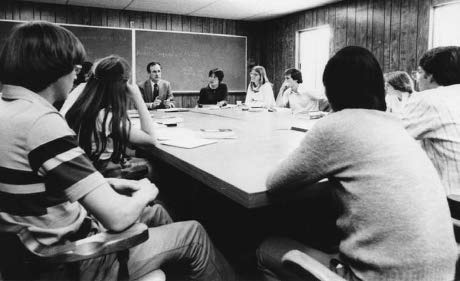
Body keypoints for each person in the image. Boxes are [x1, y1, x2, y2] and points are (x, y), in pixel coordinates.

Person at [0, 21, 234, 281]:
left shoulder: (9, 110)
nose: (77, 77)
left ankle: (172, 265)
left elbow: (44, 184)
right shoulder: (41, 122)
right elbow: (118, 218)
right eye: (75, 69)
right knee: (193, 233)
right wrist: (147, 190)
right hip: (76, 258)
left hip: (41, 244)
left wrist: (105, 182)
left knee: (156, 212)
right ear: (52, 68)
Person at [257, 46, 457, 281]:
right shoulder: (395, 125)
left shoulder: (336, 126)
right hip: (444, 272)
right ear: (380, 89)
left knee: (267, 247)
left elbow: (275, 183)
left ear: (330, 90)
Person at [64, 55, 159, 179]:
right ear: (121, 85)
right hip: (99, 174)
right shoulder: (106, 116)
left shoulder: (81, 95)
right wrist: (137, 96)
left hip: (80, 167)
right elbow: (151, 139)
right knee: (153, 166)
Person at [402, 46, 460, 196]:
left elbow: (390, 139)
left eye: (419, 72)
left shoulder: (430, 98)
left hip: (452, 203)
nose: (417, 78)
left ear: (431, 76)